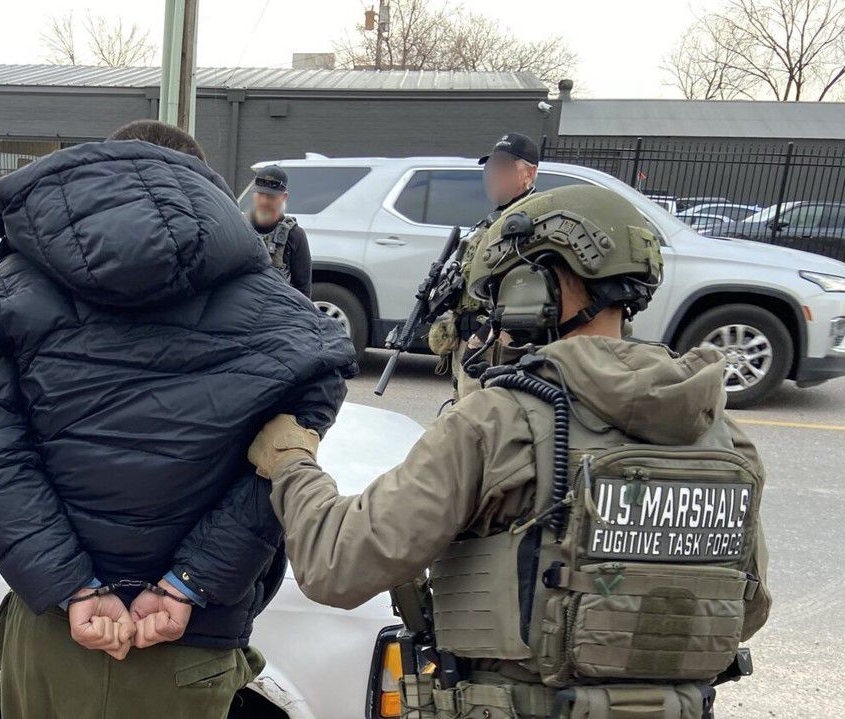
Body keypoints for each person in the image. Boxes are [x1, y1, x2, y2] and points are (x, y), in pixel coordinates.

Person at [249, 185, 770, 719]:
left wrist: (291, 463)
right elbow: (745, 610)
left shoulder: (498, 421)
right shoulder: (721, 434)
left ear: (538, 282)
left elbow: (336, 564)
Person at [0, 120, 357, 719]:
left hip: (55, 631)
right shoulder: (285, 315)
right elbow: (279, 469)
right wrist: (187, 583)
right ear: (202, 186)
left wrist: (74, 586)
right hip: (188, 639)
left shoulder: (5, 295)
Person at [429, 132, 543, 397]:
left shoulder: (531, 220)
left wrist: (483, 335)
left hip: (491, 344)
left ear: (529, 173)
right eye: (491, 169)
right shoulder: (495, 218)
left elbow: (523, 289)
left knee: (475, 423)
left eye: (502, 168)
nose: (493, 176)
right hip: (468, 341)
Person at [247, 165, 312, 298]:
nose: (264, 201)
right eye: (260, 194)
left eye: (271, 196)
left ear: (284, 197)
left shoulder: (295, 235)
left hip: (277, 311)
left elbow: (303, 290)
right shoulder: (239, 227)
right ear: (253, 195)